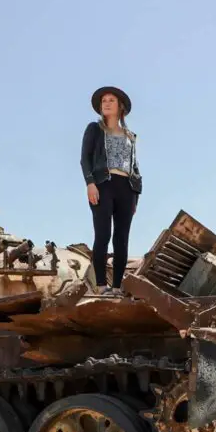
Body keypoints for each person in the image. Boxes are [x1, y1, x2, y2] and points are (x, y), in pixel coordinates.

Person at [80, 85, 142, 295]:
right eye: (103, 101)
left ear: (120, 107)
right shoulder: (94, 129)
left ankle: (116, 287)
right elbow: (85, 159)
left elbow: (135, 167)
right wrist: (90, 183)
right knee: (103, 234)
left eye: (111, 100)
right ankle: (101, 285)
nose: (106, 103)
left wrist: (136, 198)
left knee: (121, 238)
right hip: (102, 185)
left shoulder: (130, 136)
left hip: (126, 188)